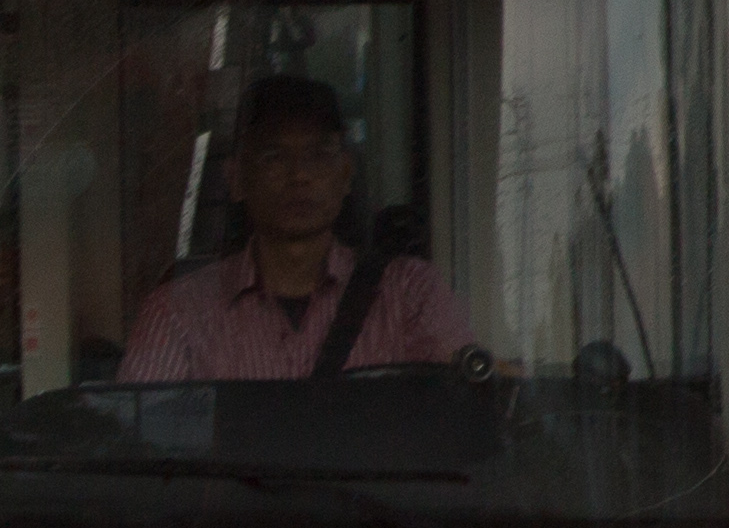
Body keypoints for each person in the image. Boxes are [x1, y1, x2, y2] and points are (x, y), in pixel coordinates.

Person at [122, 72, 476, 381]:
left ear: (346, 174)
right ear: (237, 178)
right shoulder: (178, 313)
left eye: (318, 155)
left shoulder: (410, 294)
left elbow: (463, 413)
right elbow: (141, 431)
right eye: (273, 156)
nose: (299, 175)